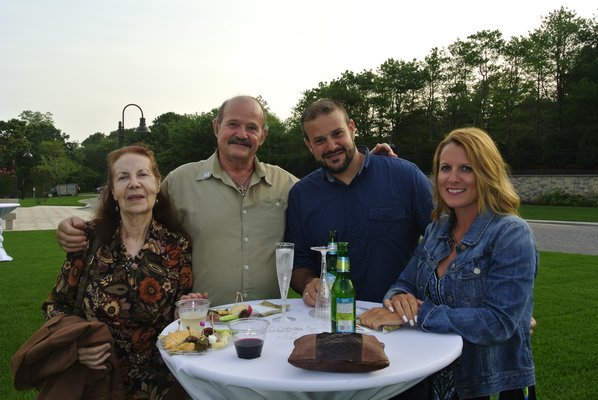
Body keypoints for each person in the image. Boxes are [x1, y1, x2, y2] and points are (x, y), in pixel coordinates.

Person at [56, 96, 298, 306]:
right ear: (216, 127)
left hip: (271, 320)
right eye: (233, 124)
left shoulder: (287, 185)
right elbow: (133, 215)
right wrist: (79, 229)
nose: (242, 134)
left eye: (252, 128)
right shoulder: (180, 182)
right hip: (203, 324)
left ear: (263, 136)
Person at [358, 127, 538, 399]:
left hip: (489, 384)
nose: (452, 178)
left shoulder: (511, 234)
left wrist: (417, 315)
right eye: (445, 168)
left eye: (466, 168)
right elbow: (404, 283)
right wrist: (399, 299)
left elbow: (499, 322)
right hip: (433, 378)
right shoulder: (437, 230)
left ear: (487, 173)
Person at [43, 144, 194, 399]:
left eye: (142, 175)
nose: (134, 183)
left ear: (157, 184)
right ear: (113, 191)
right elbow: (55, 306)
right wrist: (77, 344)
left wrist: (187, 309)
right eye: (123, 177)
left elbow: (181, 313)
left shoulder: (177, 245)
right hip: (97, 381)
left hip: (159, 384)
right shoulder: (88, 240)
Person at [287, 99, 434, 305]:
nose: (331, 146)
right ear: (309, 145)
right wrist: (308, 283)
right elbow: (298, 263)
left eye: (337, 134)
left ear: (352, 128)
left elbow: (443, 241)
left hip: (397, 318)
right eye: (319, 140)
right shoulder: (302, 195)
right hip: (329, 320)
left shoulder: (404, 177)